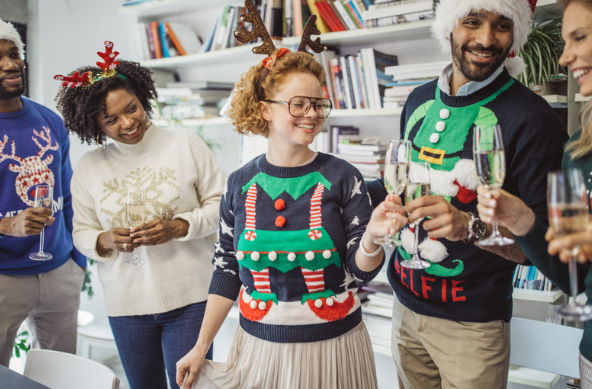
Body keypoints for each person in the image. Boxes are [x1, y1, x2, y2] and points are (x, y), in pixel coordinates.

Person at [175, 10, 400, 389]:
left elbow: (360, 273)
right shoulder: (239, 184)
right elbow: (227, 269)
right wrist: (200, 347)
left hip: (335, 346)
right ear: (264, 108)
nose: (312, 114)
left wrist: (374, 238)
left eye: (318, 104)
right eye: (299, 104)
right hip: (258, 348)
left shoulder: (344, 177)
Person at [366, 0, 569, 387]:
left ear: (516, 36)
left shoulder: (534, 118)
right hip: (404, 310)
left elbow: (546, 247)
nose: (486, 38)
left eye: (502, 25)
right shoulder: (417, 100)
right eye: (472, 21)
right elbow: (402, 187)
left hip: (473, 327)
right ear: (449, 29)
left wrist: (469, 227)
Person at [54, 41, 225, 389]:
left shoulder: (185, 143)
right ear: (95, 124)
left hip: (191, 299)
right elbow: (81, 233)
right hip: (126, 306)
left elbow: (223, 206)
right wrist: (103, 240)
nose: (128, 122)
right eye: (111, 119)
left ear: (142, 98)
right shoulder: (89, 167)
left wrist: (179, 227)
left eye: (132, 108)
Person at [477, 0, 592, 385]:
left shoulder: (533, 117)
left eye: (581, 37)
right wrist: (525, 221)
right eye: (564, 41)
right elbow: (572, 279)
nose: (564, 57)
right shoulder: (579, 152)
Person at [0, 19, 86, 367]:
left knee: (62, 374)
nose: (10, 64)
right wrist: (7, 226)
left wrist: (76, 263)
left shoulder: (49, 121)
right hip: (4, 277)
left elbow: (67, 194)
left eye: (13, 53)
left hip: (59, 272)